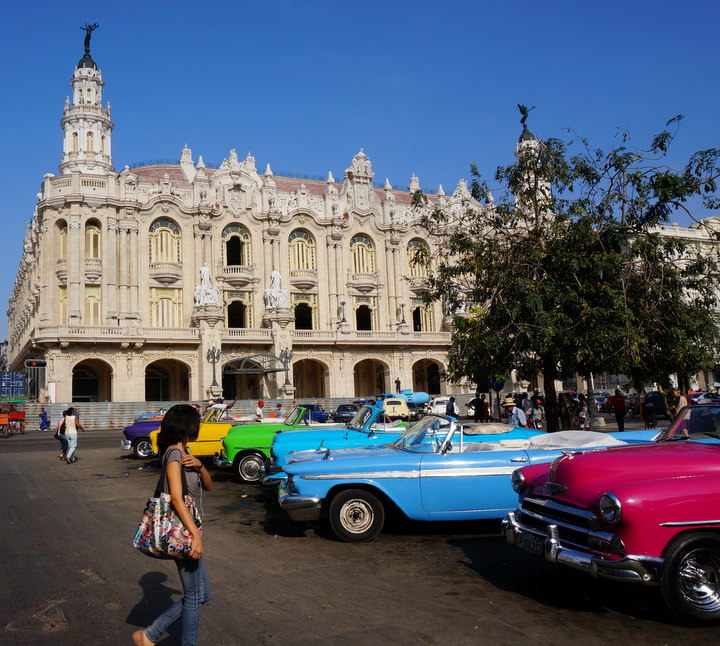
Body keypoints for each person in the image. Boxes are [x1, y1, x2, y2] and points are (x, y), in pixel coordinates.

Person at [133, 404, 212, 646]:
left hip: (185, 528)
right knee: (195, 595)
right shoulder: (174, 455)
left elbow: (208, 486)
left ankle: (149, 634)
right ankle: (151, 635)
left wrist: (200, 465)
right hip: (181, 531)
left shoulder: (184, 455)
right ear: (188, 426)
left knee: (201, 594)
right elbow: (176, 498)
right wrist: (195, 536)